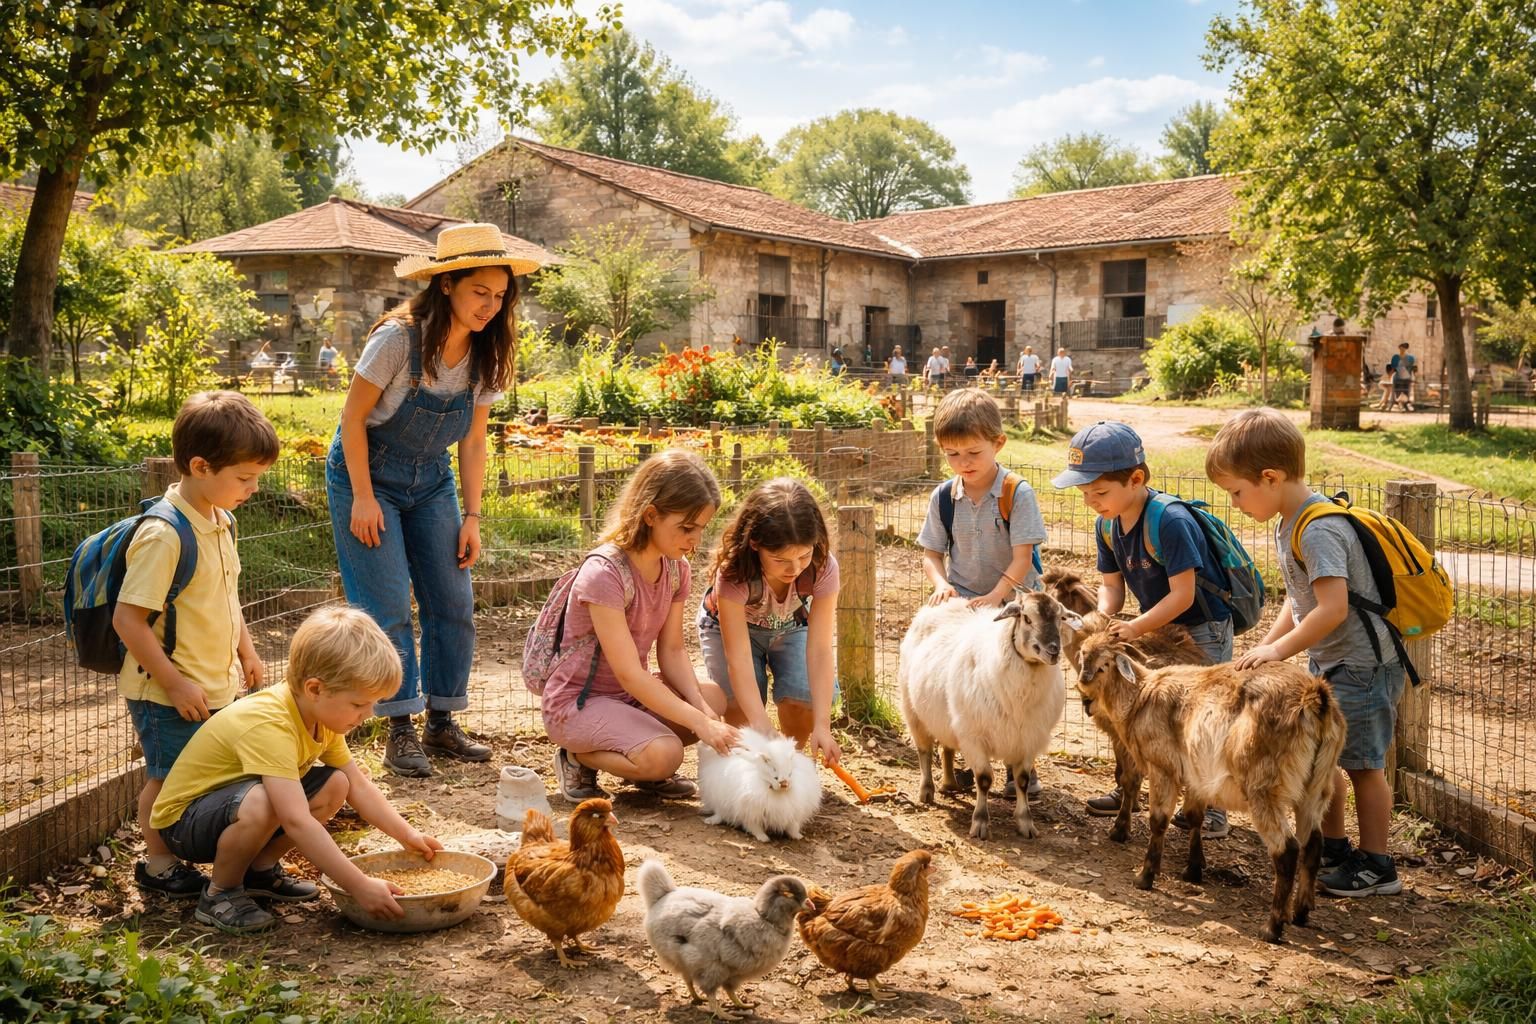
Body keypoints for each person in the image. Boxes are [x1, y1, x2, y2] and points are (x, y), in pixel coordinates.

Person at [327, 222, 542, 777]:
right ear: (446, 284)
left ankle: (443, 722)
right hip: (365, 472)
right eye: (480, 292)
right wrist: (364, 499)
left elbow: (473, 440)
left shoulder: (487, 352)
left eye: (500, 296)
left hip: (432, 481)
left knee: (452, 600)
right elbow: (352, 420)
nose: (491, 307)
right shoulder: (398, 340)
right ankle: (400, 727)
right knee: (390, 604)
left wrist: (472, 516)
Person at [150, 606, 445, 934]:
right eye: (359, 704)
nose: (368, 714)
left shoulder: (321, 717)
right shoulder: (271, 722)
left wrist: (407, 835)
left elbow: (358, 785)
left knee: (336, 784)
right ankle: (221, 893)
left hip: (231, 808)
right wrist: (358, 885)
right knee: (265, 802)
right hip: (185, 824)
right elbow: (295, 820)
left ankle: (258, 872)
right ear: (315, 689)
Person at [1207, 408, 1404, 897]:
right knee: (1322, 761)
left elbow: (1332, 608)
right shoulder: (1288, 522)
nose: (1234, 502)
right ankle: (1333, 848)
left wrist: (1279, 649)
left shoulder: (1317, 529)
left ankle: (1378, 866)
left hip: (1362, 665)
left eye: (1237, 491)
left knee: (1362, 766)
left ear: (1270, 477)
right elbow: (1302, 606)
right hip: (1329, 662)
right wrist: (1272, 649)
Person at [115, 391, 280, 901]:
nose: (251, 489)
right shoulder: (165, 534)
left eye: (257, 478)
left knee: (203, 775)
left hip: (213, 683)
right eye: (244, 478)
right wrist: (175, 681)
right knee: (167, 778)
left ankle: (218, 856)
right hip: (167, 691)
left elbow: (226, 599)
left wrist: (246, 651)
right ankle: (159, 864)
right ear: (200, 465)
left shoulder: (219, 519)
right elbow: (129, 619)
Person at [1052, 421, 1237, 838]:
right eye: (1085, 495)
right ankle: (1133, 789)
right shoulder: (1108, 523)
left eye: (1099, 493)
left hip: (1201, 627)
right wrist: (1101, 619)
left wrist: (1134, 628)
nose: (1091, 503)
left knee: (1198, 719)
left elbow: (1184, 595)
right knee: (1136, 711)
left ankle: (1209, 807)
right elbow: (1112, 588)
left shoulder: (1169, 521)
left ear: (1136, 479)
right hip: (1157, 627)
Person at [542, 449, 738, 802]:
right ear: (650, 515)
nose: (695, 539)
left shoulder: (676, 568)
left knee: (712, 696)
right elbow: (630, 673)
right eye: (686, 528)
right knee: (666, 755)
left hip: (627, 698)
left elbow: (673, 651)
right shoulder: (604, 573)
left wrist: (703, 710)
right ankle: (577, 756)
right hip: (578, 703)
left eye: (701, 528)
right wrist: (699, 722)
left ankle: (641, 762)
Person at [917, 388, 1049, 799]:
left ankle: (1020, 767)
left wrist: (997, 596)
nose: (963, 464)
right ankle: (960, 758)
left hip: (1013, 607)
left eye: (973, 453)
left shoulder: (1016, 493)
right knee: (968, 687)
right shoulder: (944, 496)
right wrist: (941, 585)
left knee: (1016, 690)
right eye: (952, 455)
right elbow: (931, 554)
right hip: (966, 608)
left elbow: (1023, 558)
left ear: (998, 443)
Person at [698, 478, 843, 767]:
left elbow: (820, 650)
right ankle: (751, 773)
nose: (795, 568)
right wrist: (763, 726)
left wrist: (823, 726)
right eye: (780, 560)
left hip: (792, 625)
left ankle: (793, 767)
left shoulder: (823, 567)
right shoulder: (733, 574)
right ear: (755, 544)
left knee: (803, 698)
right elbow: (737, 658)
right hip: (733, 632)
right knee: (740, 710)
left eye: (804, 555)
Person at [1387, 342, 1417, 412]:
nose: (1402, 350)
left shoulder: (1410, 358)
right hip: (1398, 378)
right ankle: (1400, 404)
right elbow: (1393, 369)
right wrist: (1389, 376)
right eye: (1400, 348)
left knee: (1406, 391)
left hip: (1406, 378)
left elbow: (1412, 368)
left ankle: (1404, 404)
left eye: (1403, 348)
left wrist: (1414, 377)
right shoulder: (1396, 357)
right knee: (1398, 391)